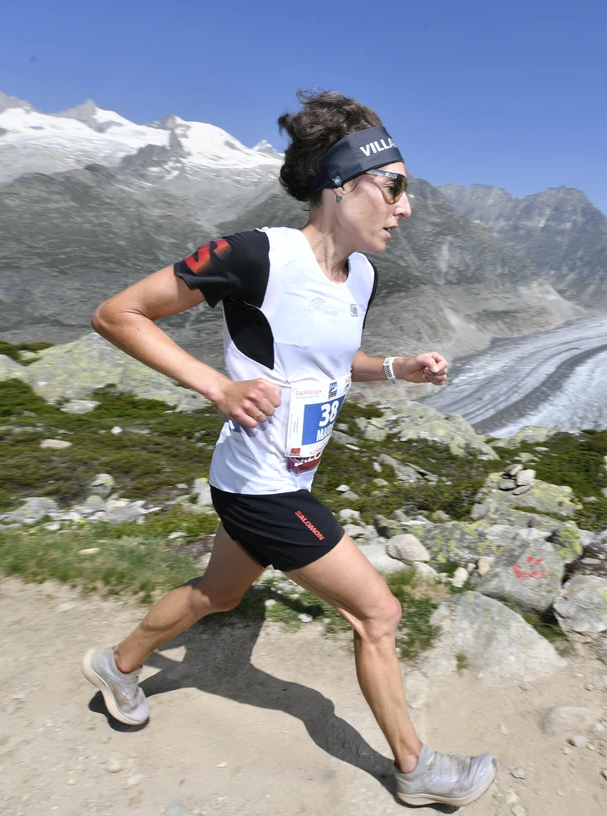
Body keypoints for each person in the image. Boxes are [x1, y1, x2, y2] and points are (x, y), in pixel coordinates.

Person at [80, 90, 496, 809]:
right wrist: (217, 386)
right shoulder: (254, 257)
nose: (406, 206)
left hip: (272, 476)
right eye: (394, 186)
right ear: (340, 186)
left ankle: (116, 665)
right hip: (261, 485)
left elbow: (331, 361)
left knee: (220, 594)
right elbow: (118, 315)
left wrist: (396, 368)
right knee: (378, 614)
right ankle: (416, 767)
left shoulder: (361, 273)